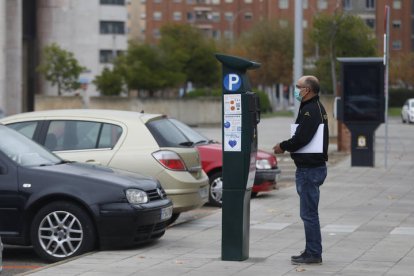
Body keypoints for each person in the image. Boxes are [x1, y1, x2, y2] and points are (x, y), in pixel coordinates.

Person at [273, 75, 329, 265]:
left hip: (309, 169)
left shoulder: (310, 110)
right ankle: (311, 249)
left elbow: (301, 138)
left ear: (308, 90)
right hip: (312, 168)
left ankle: (313, 253)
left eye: (298, 87)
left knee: (309, 214)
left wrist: (282, 146)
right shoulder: (314, 107)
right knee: (309, 213)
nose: (295, 89)